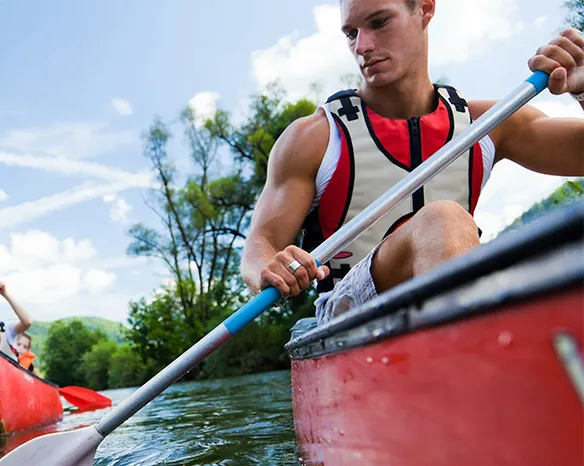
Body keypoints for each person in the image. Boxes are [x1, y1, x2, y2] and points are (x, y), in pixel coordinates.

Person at [239, 0, 584, 326]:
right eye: (351, 33)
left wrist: (583, 92)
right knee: (442, 218)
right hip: (348, 316)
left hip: (456, 293)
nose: (362, 47)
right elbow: (259, 246)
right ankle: (477, 356)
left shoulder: (490, 123)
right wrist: (270, 269)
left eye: (378, 22)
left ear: (425, 9)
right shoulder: (313, 138)